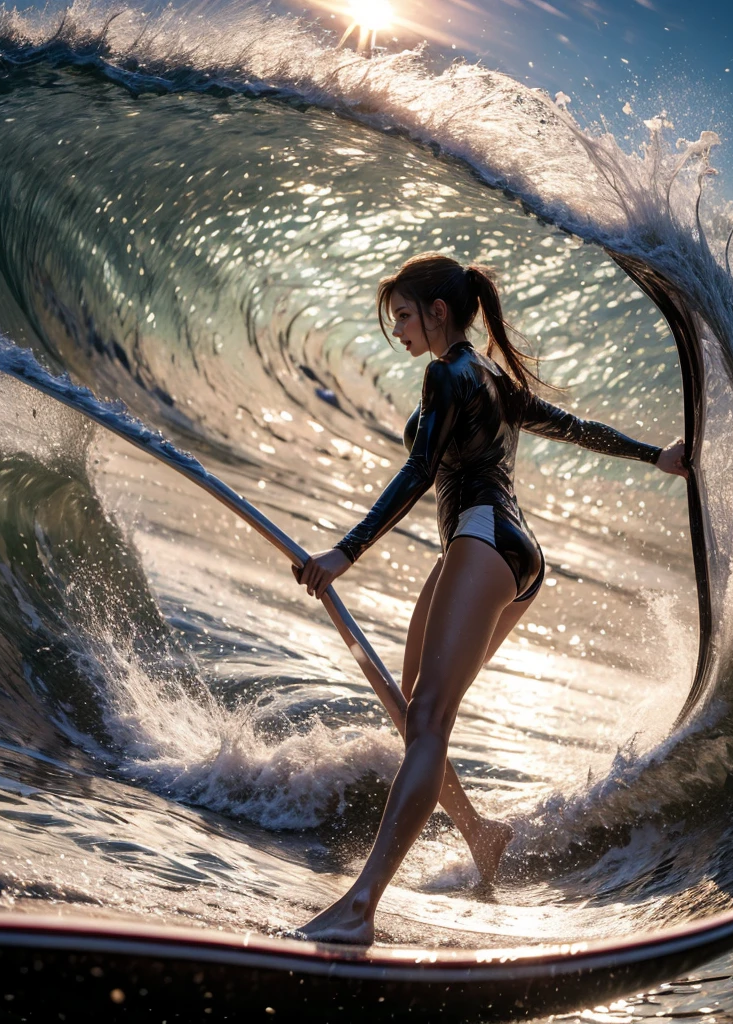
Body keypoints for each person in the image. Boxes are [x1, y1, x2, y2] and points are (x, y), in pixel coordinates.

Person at [290, 253, 688, 945]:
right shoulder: (494, 380)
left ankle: (359, 908)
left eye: (406, 317)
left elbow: (420, 470)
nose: (401, 332)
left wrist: (344, 553)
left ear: (439, 312)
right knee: (410, 706)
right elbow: (575, 428)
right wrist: (656, 455)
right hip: (503, 552)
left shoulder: (448, 373)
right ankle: (480, 832)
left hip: (481, 539)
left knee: (427, 718)